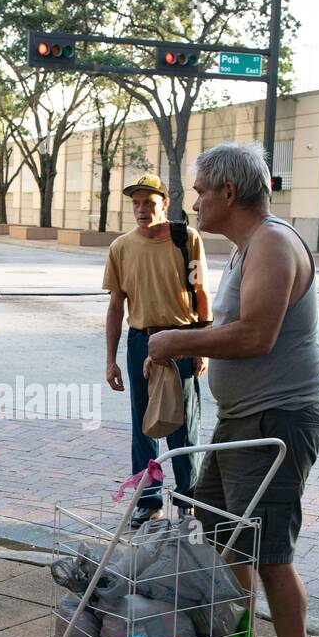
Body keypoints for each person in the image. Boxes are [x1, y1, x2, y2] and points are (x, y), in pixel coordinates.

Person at [145, 141, 319, 637]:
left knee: (270, 552)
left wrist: (178, 341)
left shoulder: (273, 242)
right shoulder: (247, 247)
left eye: (199, 190)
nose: (191, 201)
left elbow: (256, 337)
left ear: (229, 192)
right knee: (224, 538)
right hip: (241, 421)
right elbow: (237, 331)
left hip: (275, 421)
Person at [102, 172, 210, 528]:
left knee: (183, 423)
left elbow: (201, 294)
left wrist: (202, 344)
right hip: (140, 341)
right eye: (135, 203)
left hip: (182, 339)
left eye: (148, 202)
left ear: (164, 203)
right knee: (144, 423)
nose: (141, 209)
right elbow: (116, 305)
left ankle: (187, 500)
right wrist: (110, 360)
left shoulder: (186, 239)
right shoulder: (121, 247)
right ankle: (147, 500)